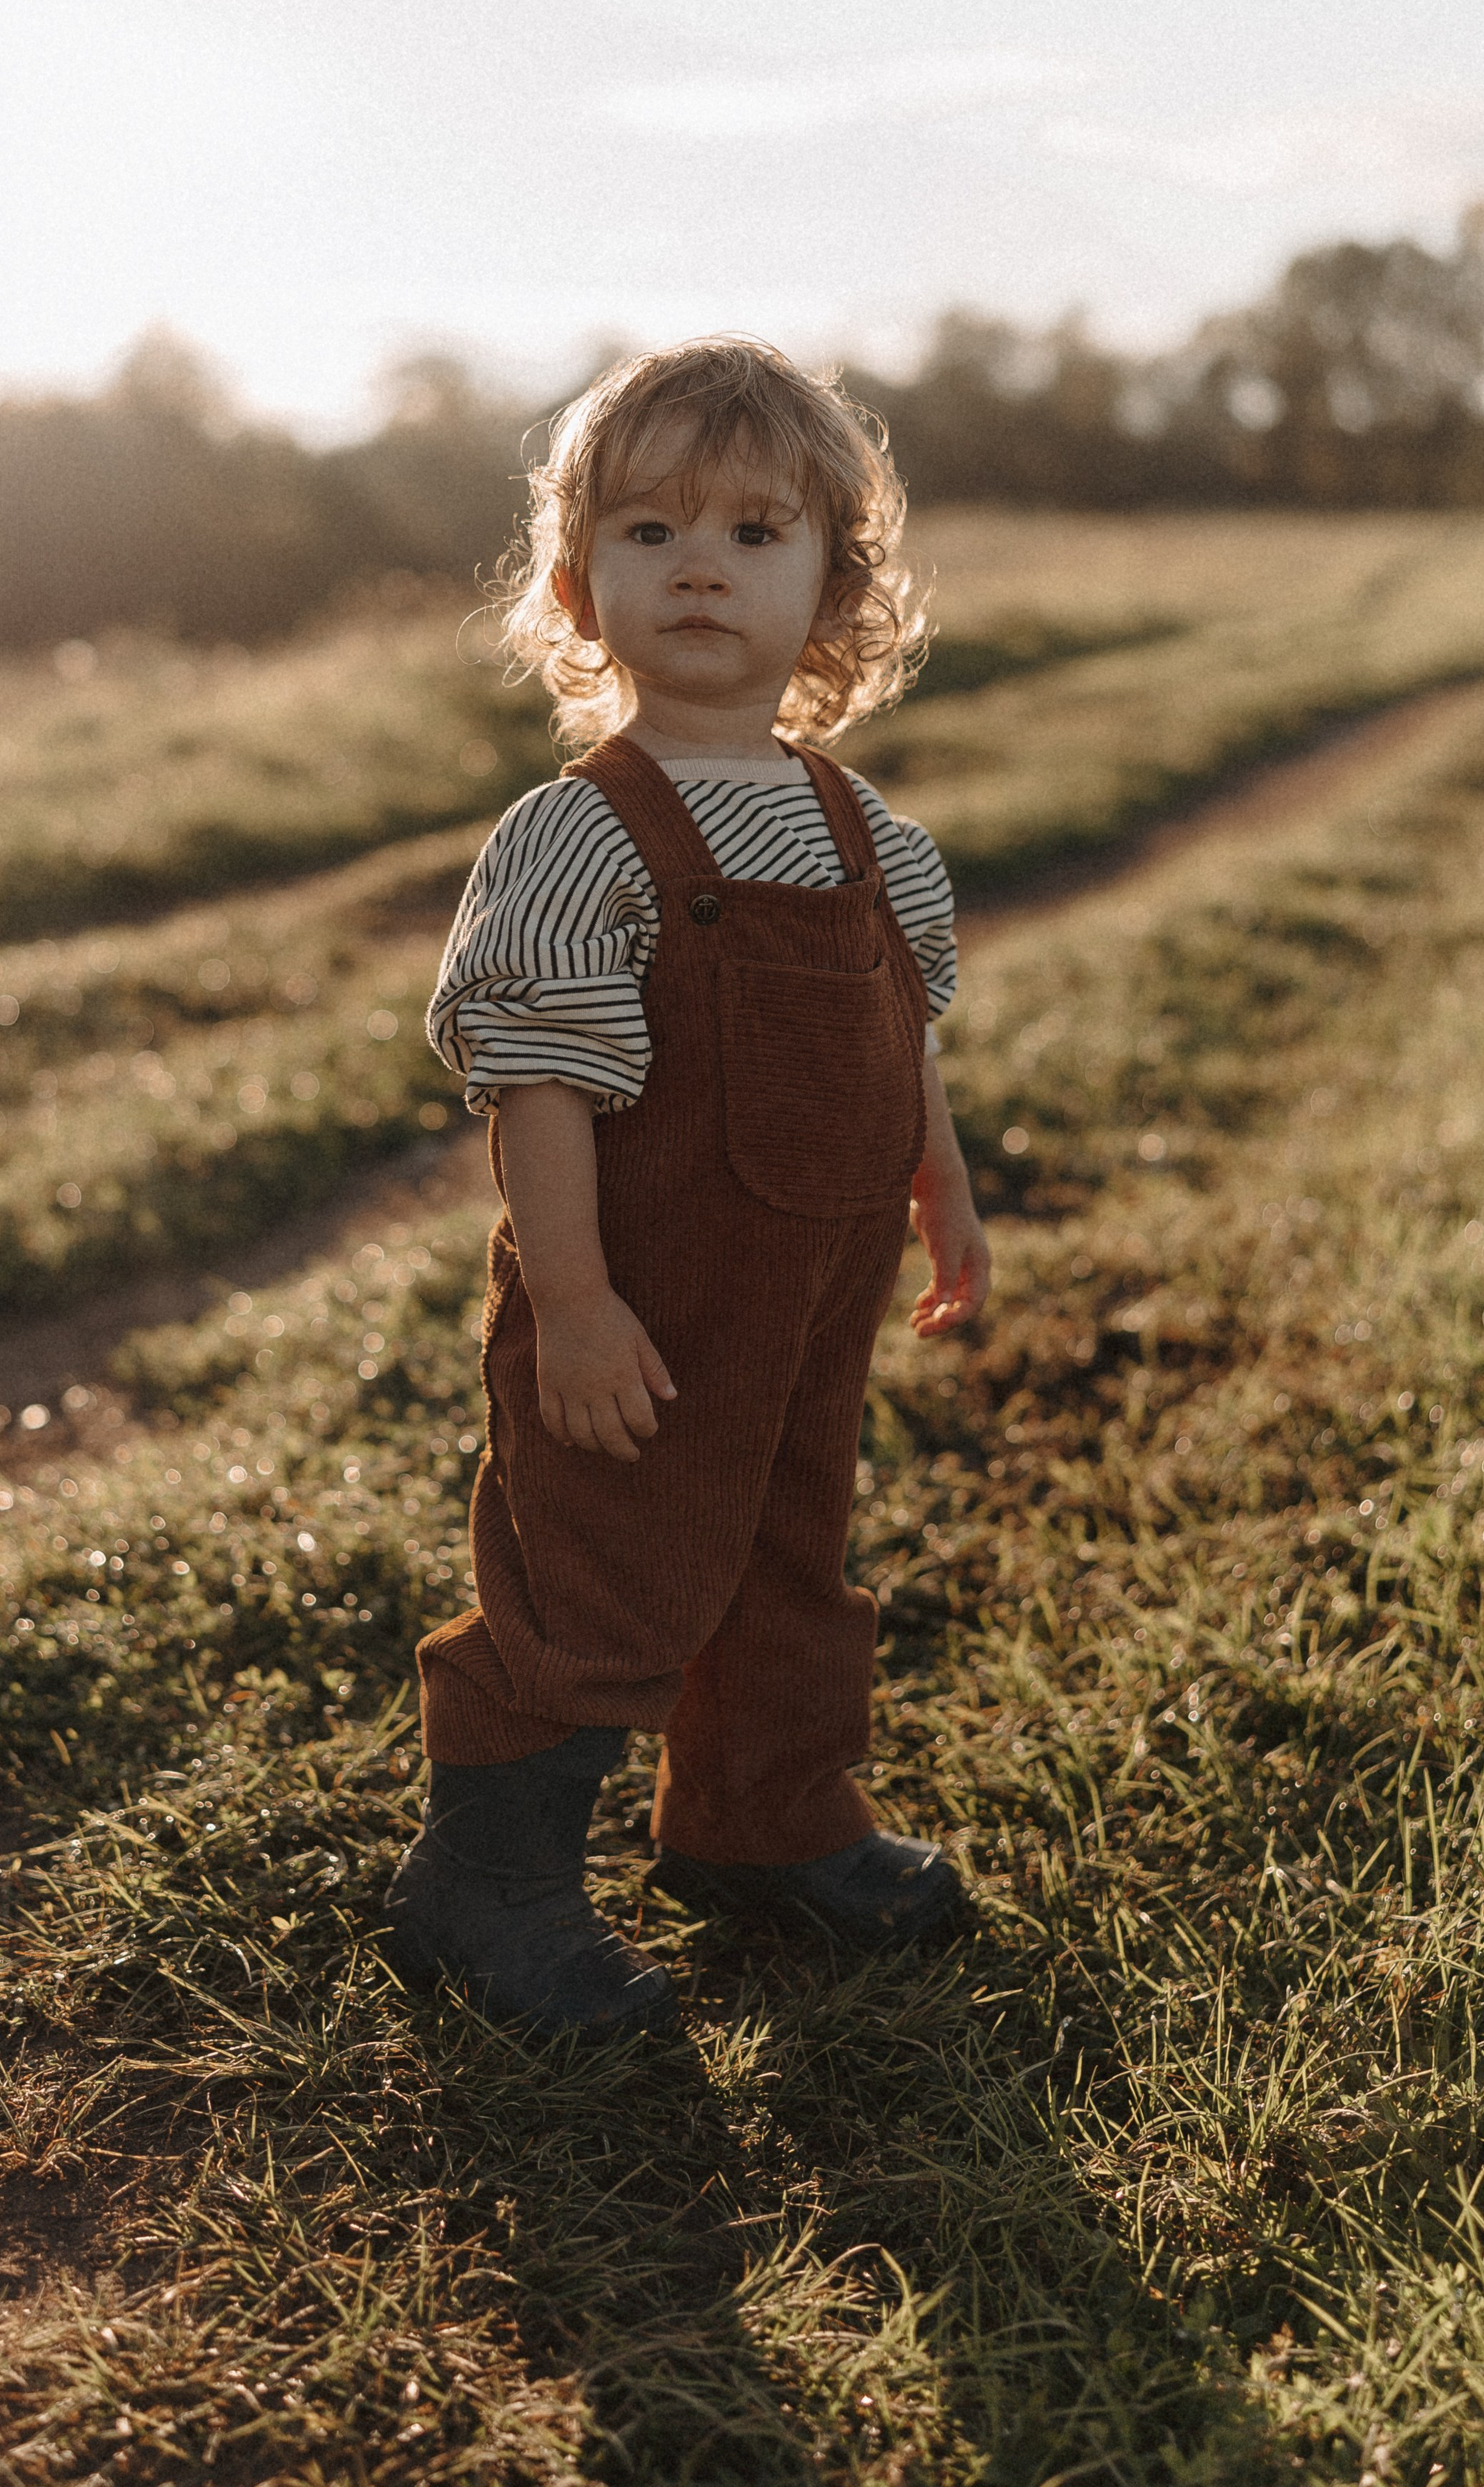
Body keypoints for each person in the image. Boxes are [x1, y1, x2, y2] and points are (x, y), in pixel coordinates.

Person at [386, 337, 991, 2034]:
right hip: (637, 1301)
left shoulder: (868, 833)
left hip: (809, 1300)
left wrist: (942, 1193)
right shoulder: (582, 834)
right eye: (649, 534)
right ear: (581, 593)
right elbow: (537, 1087)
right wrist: (571, 1305)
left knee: (786, 1551)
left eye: (752, 531)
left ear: (833, 591)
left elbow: (901, 1042)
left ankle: (763, 1822)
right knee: (599, 1568)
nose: (701, 564)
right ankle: (482, 1886)